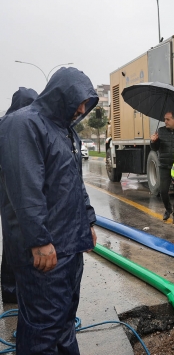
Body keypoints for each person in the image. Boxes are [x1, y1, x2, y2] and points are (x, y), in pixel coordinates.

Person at [0, 67, 98, 354]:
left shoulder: (66, 132)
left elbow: (75, 183)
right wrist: (40, 241)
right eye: (79, 100)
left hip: (70, 245)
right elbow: (25, 191)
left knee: (65, 320)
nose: (82, 109)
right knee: (43, 327)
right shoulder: (23, 125)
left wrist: (88, 222)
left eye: (87, 103)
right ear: (61, 94)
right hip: (46, 250)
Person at [0, 87, 38, 304]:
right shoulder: (10, 127)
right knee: (16, 238)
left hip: (13, 190)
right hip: (10, 190)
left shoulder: (9, 124)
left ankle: (13, 289)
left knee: (15, 238)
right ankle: (13, 290)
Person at [150, 111, 174, 224]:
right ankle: (168, 209)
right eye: (165, 119)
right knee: (163, 191)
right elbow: (155, 148)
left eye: (168, 119)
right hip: (164, 166)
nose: (165, 122)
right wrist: (153, 141)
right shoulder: (161, 131)